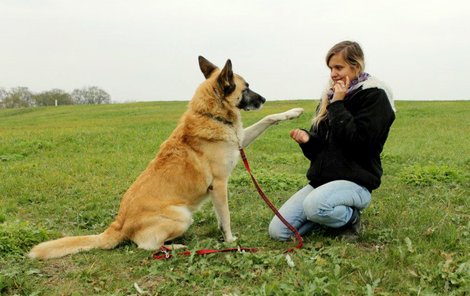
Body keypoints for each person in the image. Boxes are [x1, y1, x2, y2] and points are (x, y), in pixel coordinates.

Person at [269, 41, 396, 241]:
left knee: (314, 206)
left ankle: (351, 218)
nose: (333, 73)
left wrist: (338, 104)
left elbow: (361, 143)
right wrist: (307, 140)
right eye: (330, 68)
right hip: (322, 183)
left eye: (339, 67)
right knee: (279, 232)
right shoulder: (328, 96)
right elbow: (318, 150)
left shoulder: (374, 96)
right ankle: (324, 215)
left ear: (356, 66)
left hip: (356, 183)